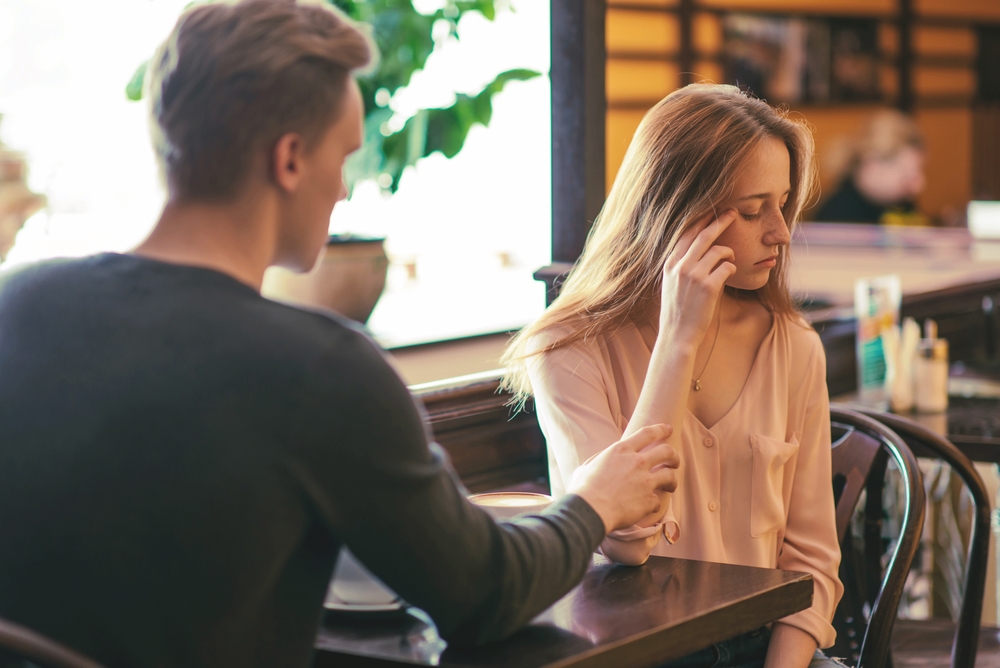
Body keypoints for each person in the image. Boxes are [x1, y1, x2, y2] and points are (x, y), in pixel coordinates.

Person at [0, 2, 681, 667]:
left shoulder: (18, 302)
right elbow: (484, 593)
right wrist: (593, 501)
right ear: (290, 159)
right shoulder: (319, 368)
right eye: (345, 155)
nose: (346, 187)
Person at [502, 84, 845, 668]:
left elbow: (811, 560)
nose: (781, 233)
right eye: (751, 209)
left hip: (773, 650)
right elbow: (625, 541)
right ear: (676, 214)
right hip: (637, 654)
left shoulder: (794, 347)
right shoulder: (565, 348)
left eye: (783, 205)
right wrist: (678, 338)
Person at [814, 109, 926, 224]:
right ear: (872, 164)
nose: (918, 186)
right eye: (906, 175)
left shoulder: (901, 206)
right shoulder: (838, 214)